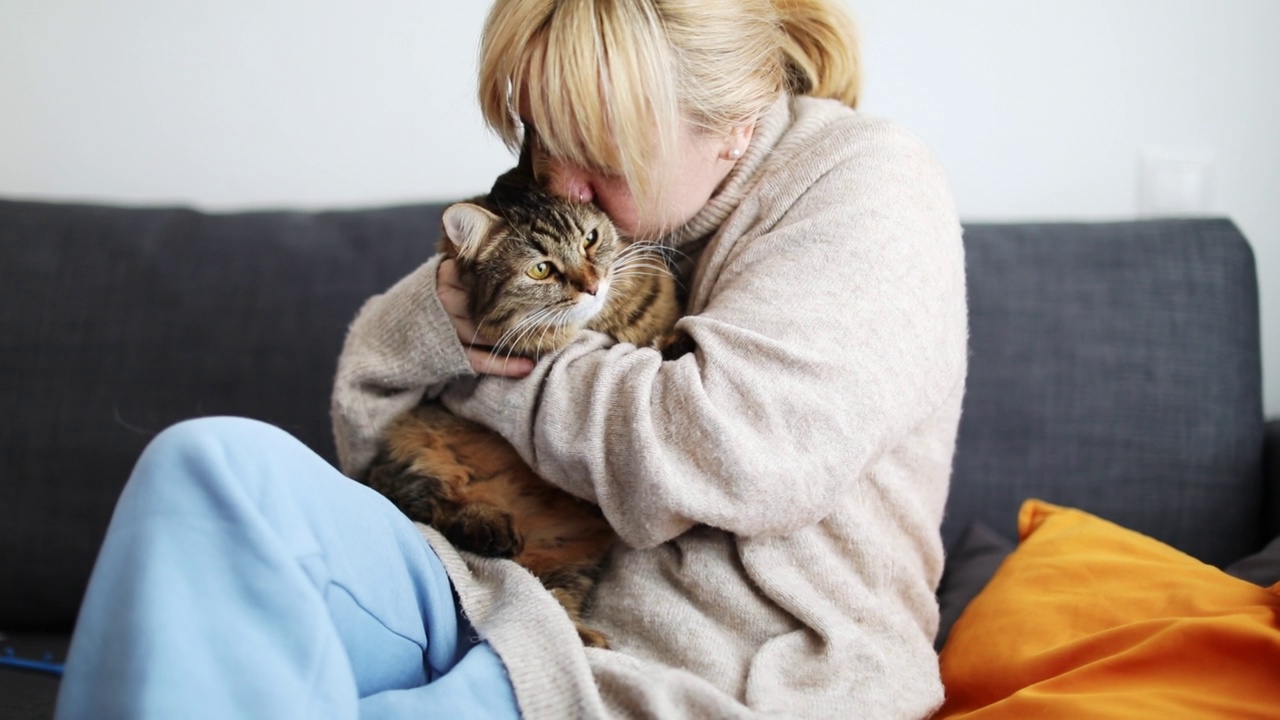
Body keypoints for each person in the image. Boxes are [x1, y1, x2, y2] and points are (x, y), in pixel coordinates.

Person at [57, 0, 968, 717]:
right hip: (490, 584)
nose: (559, 184)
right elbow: (366, 421)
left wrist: (494, 350)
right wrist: (450, 325)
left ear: (732, 122)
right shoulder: (571, 209)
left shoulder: (865, 182)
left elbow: (729, 455)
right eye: (540, 138)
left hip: (694, 671)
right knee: (208, 463)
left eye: (601, 154)